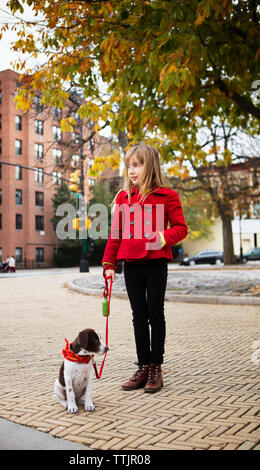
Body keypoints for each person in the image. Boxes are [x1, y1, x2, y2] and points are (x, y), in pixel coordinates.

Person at [102, 143, 188, 393]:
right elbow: (115, 234)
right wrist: (109, 263)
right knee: (138, 316)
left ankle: (155, 367)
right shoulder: (122, 197)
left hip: (156, 262)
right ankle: (141, 366)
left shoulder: (168, 195)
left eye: (137, 165)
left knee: (155, 314)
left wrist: (163, 237)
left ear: (150, 166)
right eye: (129, 165)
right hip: (131, 264)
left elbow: (181, 228)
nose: (131, 170)